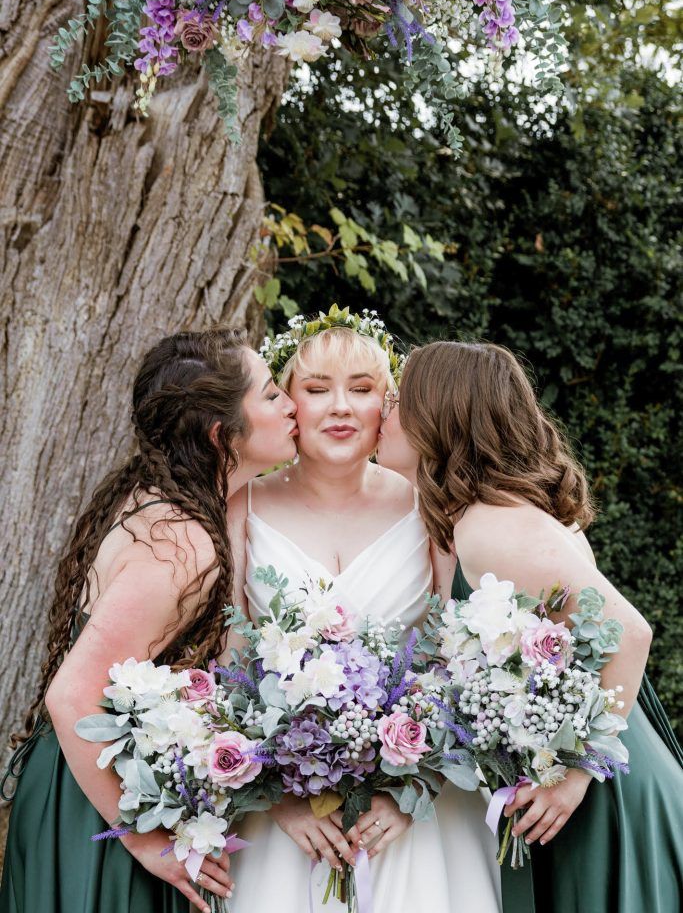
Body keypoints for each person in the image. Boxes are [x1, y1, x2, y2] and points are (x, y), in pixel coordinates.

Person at [377, 339, 683, 913]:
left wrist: (576, 773)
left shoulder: (493, 525)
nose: (381, 413)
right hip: (559, 782)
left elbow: (632, 633)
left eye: (397, 400)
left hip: (599, 785)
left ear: (437, 414)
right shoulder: (465, 517)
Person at [0, 327, 298, 913]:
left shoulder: (172, 504)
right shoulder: (182, 542)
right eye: (269, 395)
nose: (289, 403)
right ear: (221, 434)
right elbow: (72, 695)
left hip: (100, 783)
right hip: (100, 802)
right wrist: (144, 841)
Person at [225, 312, 502, 913]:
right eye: (317, 389)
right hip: (286, 813)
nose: (340, 407)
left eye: (362, 388)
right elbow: (227, 663)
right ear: (289, 405)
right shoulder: (242, 507)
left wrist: (411, 788)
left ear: (389, 405)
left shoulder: (432, 509)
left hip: (413, 814)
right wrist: (278, 799)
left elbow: (456, 654)